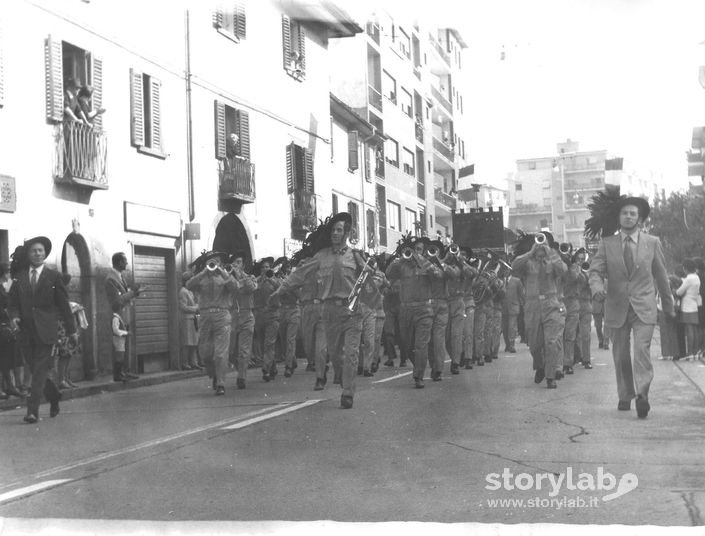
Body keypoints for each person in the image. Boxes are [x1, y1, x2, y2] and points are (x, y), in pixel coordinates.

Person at [270, 212, 369, 408]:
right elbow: (299, 275)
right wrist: (280, 291)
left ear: (347, 233)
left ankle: (348, 392)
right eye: (333, 229)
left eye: (339, 230)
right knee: (334, 354)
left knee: (351, 354)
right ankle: (341, 375)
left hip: (351, 311)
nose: (335, 233)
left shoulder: (355, 257)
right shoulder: (320, 257)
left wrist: (363, 294)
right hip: (329, 310)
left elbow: (367, 281)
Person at [588, 194, 674, 418]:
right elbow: (595, 271)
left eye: (633, 213)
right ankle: (625, 395)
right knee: (620, 354)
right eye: (624, 213)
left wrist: (669, 306)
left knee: (641, 351)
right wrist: (597, 289)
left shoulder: (652, 242)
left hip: (644, 307)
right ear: (618, 217)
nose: (628, 217)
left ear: (640, 218)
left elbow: (661, 276)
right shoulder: (607, 244)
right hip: (616, 306)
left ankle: (642, 395)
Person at [8, 236, 77, 423]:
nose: (37, 253)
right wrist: (14, 316)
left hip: (46, 331)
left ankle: (32, 411)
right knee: (36, 369)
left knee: (38, 370)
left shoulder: (53, 276)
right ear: (29, 254)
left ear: (45, 253)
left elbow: (63, 304)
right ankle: (54, 396)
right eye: (34, 251)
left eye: (40, 250)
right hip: (26, 331)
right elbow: (12, 302)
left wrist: (72, 331)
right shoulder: (20, 277)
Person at [386, 235, 443, 389]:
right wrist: (398, 259)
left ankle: (418, 375)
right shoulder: (403, 265)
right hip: (405, 309)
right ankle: (419, 365)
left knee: (421, 345)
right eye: (416, 249)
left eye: (421, 250)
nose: (418, 252)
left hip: (424, 310)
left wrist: (423, 261)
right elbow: (389, 273)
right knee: (406, 344)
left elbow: (439, 275)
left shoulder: (429, 264)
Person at [511, 232, 567, 389]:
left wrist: (551, 253)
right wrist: (530, 252)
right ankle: (540, 366)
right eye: (539, 243)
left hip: (551, 304)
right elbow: (514, 266)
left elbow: (563, 271)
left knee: (552, 342)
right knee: (534, 344)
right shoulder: (528, 261)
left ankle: (550, 376)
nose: (541, 246)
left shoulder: (553, 260)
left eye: (544, 243)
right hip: (533, 306)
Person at [186, 251, 240, 395]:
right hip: (204, 316)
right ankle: (215, 373)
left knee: (220, 353)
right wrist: (203, 272)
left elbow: (236, 288)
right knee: (205, 353)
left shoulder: (225, 277)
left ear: (221, 264)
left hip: (222, 315)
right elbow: (188, 284)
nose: (213, 264)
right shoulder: (201, 279)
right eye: (211, 262)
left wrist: (223, 273)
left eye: (216, 262)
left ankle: (221, 383)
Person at [105, 252, 144, 380]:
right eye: (125, 261)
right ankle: (118, 373)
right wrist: (133, 293)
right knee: (119, 347)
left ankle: (125, 371)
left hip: (124, 316)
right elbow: (116, 302)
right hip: (117, 317)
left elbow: (124, 295)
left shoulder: (120, 277)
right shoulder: (111, 279)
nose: (127, 263)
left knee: (125, 345)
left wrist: (134, 293)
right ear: (119, 262)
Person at [228, 252, 257, 389]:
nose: (236, 265)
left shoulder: (249, 277)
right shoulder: (226, 277)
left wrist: (239, 275)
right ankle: (235, 365)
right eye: (234, 262)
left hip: (247, 314)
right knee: (230, 349)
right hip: (232, 315)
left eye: (239, 262)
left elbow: (251, 288)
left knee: (244, 350)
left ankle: (242, 377)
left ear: (243, 265)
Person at [253, 257, 282, 381]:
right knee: (263, 343)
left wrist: (271, 280)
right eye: (263, 267)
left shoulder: (275, 281)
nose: (265, 269)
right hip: (259, 316)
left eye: (267, 267)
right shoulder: (257, 281)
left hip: (272, 315)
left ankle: (266, 368)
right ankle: (272, 366)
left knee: (269, 343)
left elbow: (281, 290)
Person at [275, 257, 301, 378]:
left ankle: (288, 366)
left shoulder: (296, 280)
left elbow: (299, 295)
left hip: (293, 310)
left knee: (290, 339)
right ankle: (292, 359)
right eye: (286, 269)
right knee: (285, 339)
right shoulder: (278, 280)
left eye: (289, 268)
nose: (288, 271)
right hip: (282, 310)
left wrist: (289, 286)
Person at [0, 263, 23, 399]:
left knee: (7, 358)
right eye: (7, 271)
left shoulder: (5, 287)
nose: (9, 274)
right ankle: (8, 387)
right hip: (2, 324)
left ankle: (10, 386)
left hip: (6, 325)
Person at [676, 258, 701, 360]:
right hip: (694, 305)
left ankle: (690, 353)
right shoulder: (696, 277)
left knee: (689, 329)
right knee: (694, 330)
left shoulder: (688, 279)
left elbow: (679, 292)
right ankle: (695, 352)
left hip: (687, 306)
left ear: (685, 268)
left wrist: (674, 290)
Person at [574, 249, 593, 369]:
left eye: (582, 259)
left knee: (586, 334)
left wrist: (587, 275)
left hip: (585, 304)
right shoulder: (572, 271)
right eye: (578, 259)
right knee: (573, 335)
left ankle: (586, 359)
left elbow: (593, 287)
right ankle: (576, 357)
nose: (581, 262)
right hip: (574, 304)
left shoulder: (588, 271)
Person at [179, 272, 201, 371]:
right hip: (187, 319)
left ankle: (194, 362)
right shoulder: (183, 291)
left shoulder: (190, 291)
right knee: (187, 343)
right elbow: (183, 307)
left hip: (193, 319)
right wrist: (195, 308)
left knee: (194, 342)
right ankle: (185, 363)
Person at [502, 272, 524, 353]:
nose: (505, 271)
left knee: (512, 327)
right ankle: (507, 344)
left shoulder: (517, 281)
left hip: (513, 307)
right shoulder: (501, 280)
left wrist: (524, 304)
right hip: (503, 307)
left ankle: (511, 345)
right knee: (504, 327)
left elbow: (521, 294)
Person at [111, 302, 129, 381]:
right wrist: (126, 333)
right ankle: (117, 375)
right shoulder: (115, 318)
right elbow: (116, 330)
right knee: (119, 357)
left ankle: (120, 374)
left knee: (121, 357)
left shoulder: (118, 317)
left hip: (120, 339)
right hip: (118, 339)